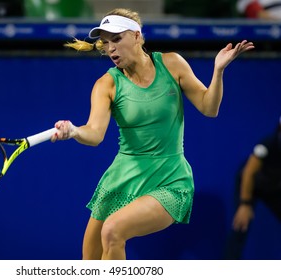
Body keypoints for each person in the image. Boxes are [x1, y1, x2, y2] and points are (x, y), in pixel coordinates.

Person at [51, 8, 255, 260]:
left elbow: (209, 107)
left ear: (137, 36)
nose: (111, 48)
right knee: (89, 263)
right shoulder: (107, 84)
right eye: (106, 42)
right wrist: (73, 131)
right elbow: (94, 133)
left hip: (170, 179)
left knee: (113, 230)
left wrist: (218, 71)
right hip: (121, 180)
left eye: (117, 39)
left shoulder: (172, 64)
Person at [224, 116, 281, 259]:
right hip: (249, 184)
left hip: (273, 188)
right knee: (241, 225)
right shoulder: (267, 145)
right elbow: (249, 173)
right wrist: (245, 203)